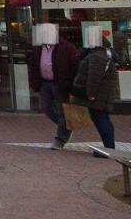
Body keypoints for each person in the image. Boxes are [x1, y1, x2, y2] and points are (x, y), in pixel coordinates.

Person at [28, 23, 81, 150]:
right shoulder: (38, 48)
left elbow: (75, 67)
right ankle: (67, 127)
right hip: (44, 83)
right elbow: (33, 65)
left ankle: (60, 139)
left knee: (62, 111)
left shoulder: (67, 47)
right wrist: (34, 82)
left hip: (60, 84)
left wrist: (72, 85)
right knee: (46, 108)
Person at [73, 26, 119, 156]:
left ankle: (109, 148)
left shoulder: (98, 56)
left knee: (101, 119)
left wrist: (91, 94)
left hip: (99, 94)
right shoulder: (103, 52)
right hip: (103, 92)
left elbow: (94, 77)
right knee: (103, 118)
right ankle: (109, 147)